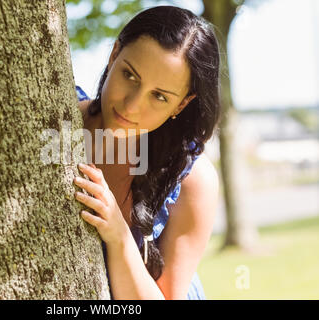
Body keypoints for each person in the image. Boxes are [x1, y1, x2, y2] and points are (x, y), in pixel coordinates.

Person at [72, 5, 221, 300]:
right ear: (114, 54)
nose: (131, 106)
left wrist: (118, 234)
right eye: (129, 75)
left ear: (181, 105)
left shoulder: (193, 180)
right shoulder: (60, 120)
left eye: (159, 96)